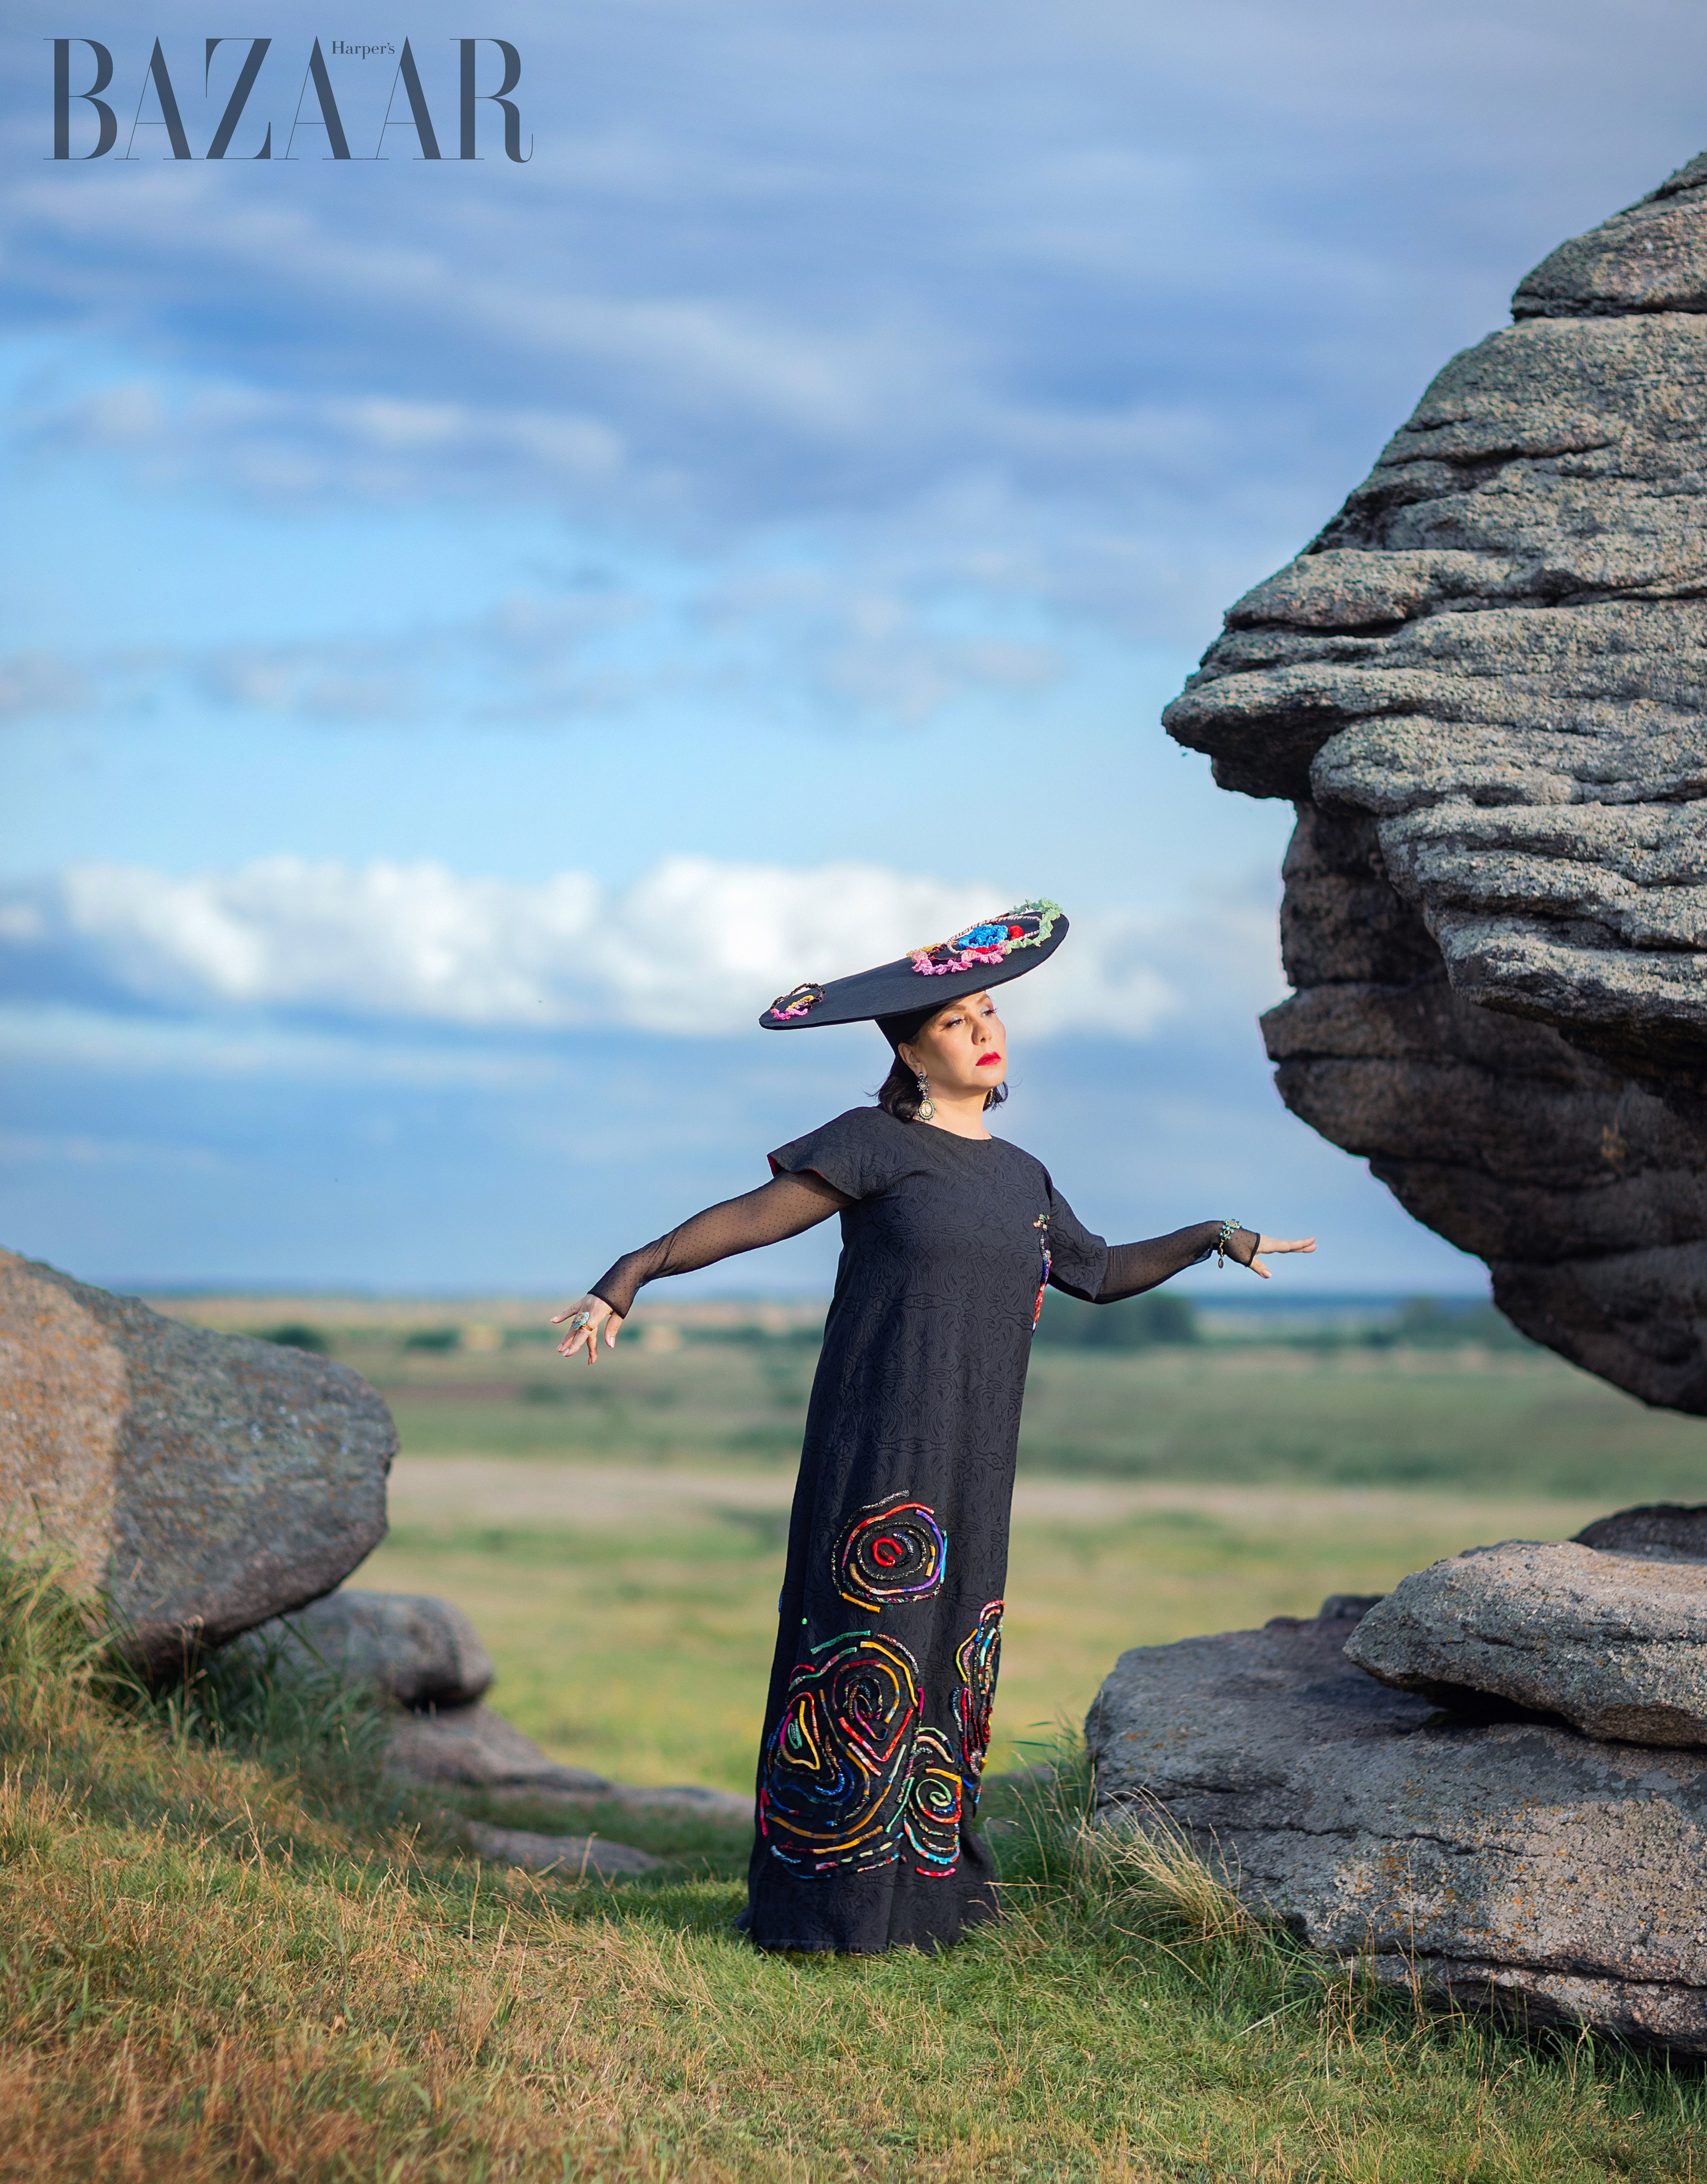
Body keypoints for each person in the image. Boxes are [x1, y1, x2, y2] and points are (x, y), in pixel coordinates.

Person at [551, 900, 1314, 1955]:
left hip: (975, 1460)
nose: (984, 1030)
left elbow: (1095, 1273)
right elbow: (746, 1219)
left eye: (989, 1011)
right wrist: (626, 1277)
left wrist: (1210, 1236)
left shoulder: (1023, 1177)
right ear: (912, 1051)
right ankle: (824, 1909)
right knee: (864, 1648)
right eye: (957, 1022)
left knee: (954, 1646)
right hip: (876, 1446)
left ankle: (927, 1900)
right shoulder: (874, 1143)